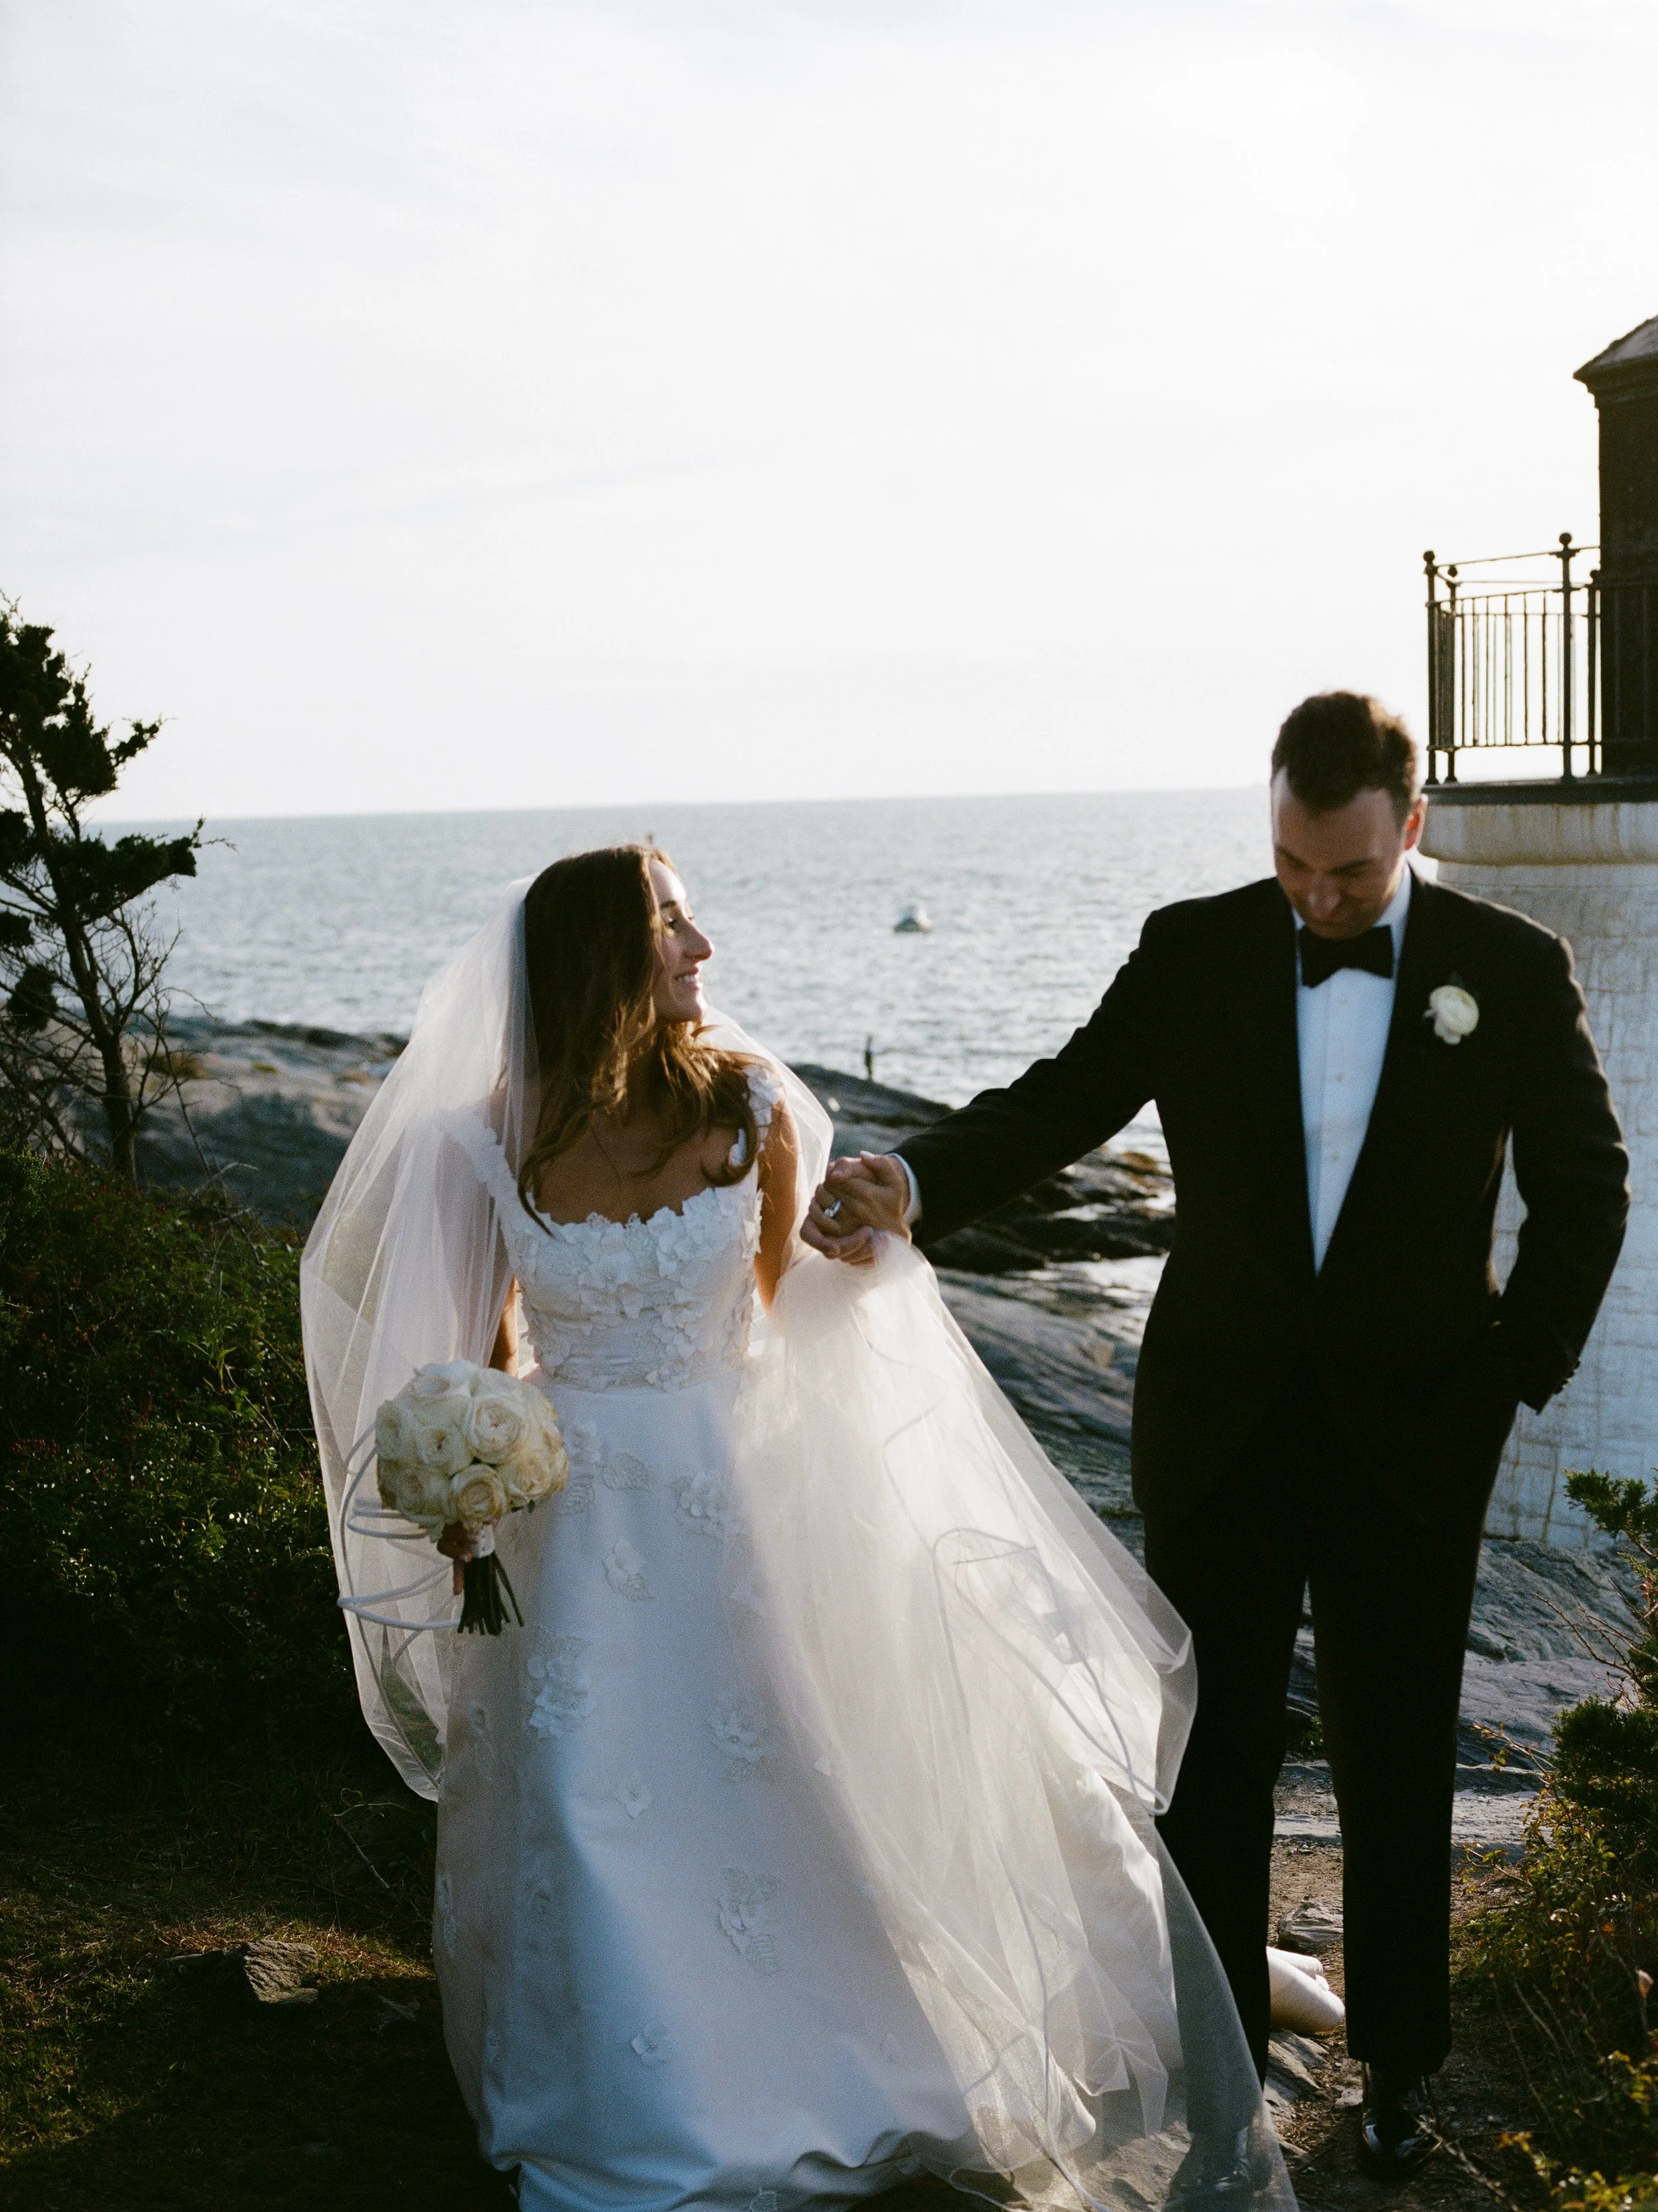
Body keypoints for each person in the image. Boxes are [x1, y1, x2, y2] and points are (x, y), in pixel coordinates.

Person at [302, 845, 1293, 2212]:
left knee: (776, 1776)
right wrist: (468, 1482)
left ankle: (827, 2052)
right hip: (568, 1531)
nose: (702, 946)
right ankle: (631, 2083)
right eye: (669, 923)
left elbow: (775, 1312)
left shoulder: (752, 1105)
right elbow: (476, 1355)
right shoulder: (486, 1140)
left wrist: (877, 1251)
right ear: (602, 957)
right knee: (596, 1804)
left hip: (734, 1509)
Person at [806, 694, 1629, 2181]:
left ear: (1413, 826)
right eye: (1292, 864)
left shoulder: (1507, 971)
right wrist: (911, 1180)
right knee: (1210, 1752)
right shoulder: (1191, 948)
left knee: (1394, 1758)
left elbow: (1589, 1190)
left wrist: (1504, 1378)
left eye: (1351, 878)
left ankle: (1396, 2067)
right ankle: (1214, 2062)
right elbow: (1061, 1100)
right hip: (1217, 1419)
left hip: (1414, 1439)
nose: (1316, 898)